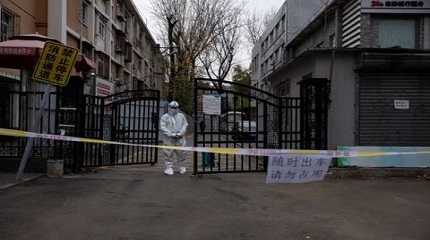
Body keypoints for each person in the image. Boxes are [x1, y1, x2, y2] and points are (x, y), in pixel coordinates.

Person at [160, 101, 188, 175]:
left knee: (181, 152)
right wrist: (170, 133)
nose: (174, 109)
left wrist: (181, 133)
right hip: (169, 139)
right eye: (172, 107)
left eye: (176, 108)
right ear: (169, 107)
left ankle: (181, 166)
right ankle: (168, 168)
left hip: (180, 138)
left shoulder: (181, 116)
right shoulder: (165, 117)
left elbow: (184, 125)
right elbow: (163, 127)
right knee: (168, 153)